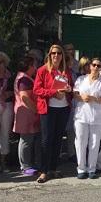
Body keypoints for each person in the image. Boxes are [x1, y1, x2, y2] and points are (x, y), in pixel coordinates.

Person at [33, 44, 73, 183]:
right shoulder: (42, 70)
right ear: (49, 55)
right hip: (48, 109)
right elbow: (37, 90)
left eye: (59, 53)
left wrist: (68, 89)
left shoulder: (65, 70)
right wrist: (53, 93)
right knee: (46, 140)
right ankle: (43, 171)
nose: (56, 56)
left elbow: (71, 88)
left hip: (63, 109)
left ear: (62, 56)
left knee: (57, 140)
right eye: (53, 53)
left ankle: (53, 168)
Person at [73, 57, 101, 179]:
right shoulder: (81, 79)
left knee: (94, 144)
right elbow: (75, 93)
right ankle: (81, 169)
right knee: (81, 142)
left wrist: (94, 99)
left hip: (97, 117)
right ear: (90, 66)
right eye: (94, 65)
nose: (95, 67)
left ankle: (92, 169)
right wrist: (82, 97)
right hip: (81, 116)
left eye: (99, 66)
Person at [13, 56, 40, 176]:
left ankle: (27, 164)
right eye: (33, 65)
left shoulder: (25, 77)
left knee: (27, 139)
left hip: (27, 112)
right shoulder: (24, 79)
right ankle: (25, 166)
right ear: (29, 66)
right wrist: (36, 109)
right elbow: (24, 96)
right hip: (26, 113)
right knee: (26, 140)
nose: (35, 67)